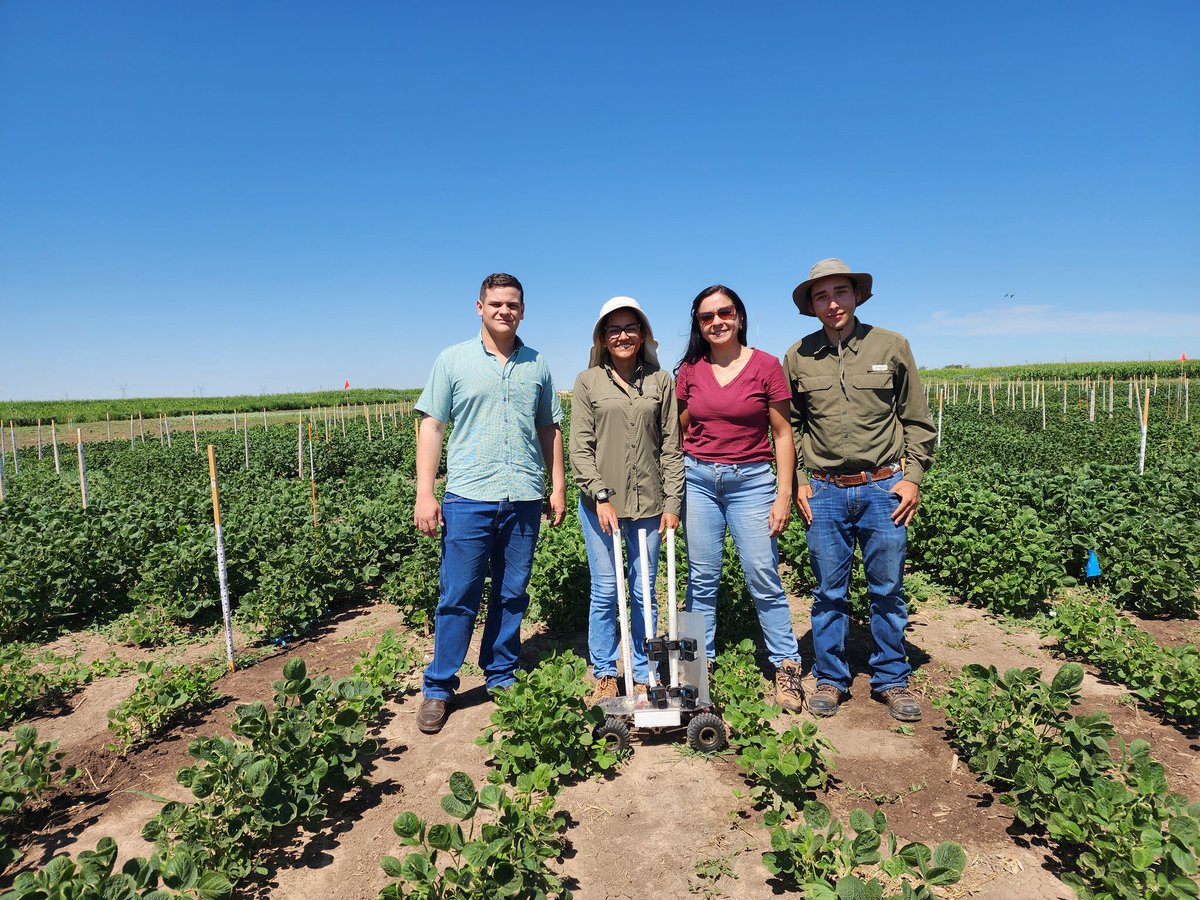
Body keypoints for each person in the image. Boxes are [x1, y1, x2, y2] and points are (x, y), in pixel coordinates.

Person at [412, 272, 567, 735]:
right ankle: (440, 687)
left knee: (511, 592)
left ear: (523, 310)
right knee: (458, 594)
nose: (505, 311)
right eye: (496, 303)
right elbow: (433, 426)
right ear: (479, 307)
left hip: (523, 495)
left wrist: (556, 485)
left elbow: (549, 429)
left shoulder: (537, 364)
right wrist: (425, 492)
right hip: (468, 496)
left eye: (513, 304)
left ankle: (500, 675)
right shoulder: (453, 360)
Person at [784, 258, 936, 722]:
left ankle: (892, 676)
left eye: (840, 293)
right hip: (826, 491)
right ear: (811, 305)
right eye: (822, 296)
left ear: (856, 295)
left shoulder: (891, 345)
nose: (833, 303)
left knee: (887, 588)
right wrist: (800, 483)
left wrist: (912, 477)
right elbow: (790, 427)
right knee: (829, 591)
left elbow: (917, 419)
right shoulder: (797, 356)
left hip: (883, 486)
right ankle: (831, 677)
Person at [675, 285, 805, 712]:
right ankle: (697, 668)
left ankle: (786, 664)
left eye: (724, 312)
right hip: (698, 481)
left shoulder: (766, 366)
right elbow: (677, 433)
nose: (717, 322)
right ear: (699, 324)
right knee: (701, 577)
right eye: (706, 316)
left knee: (762, 573)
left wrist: (783, 492)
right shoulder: (690, 370)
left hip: (752, 482)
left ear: (740, 316)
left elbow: (783, 433)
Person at [570, 297, 683, 703]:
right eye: (613, 329)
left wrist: (673, 503)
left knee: (643, 591)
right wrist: (600, 494)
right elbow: (580, 448)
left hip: (651, 504)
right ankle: (604, 671)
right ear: (602, 336)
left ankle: (641, 669)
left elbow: (672, 446)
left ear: (643, 334)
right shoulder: (588, 382)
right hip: (603, 506)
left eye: (630, 328)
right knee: (605, 589)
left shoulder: (660, 381)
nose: (622, 336)